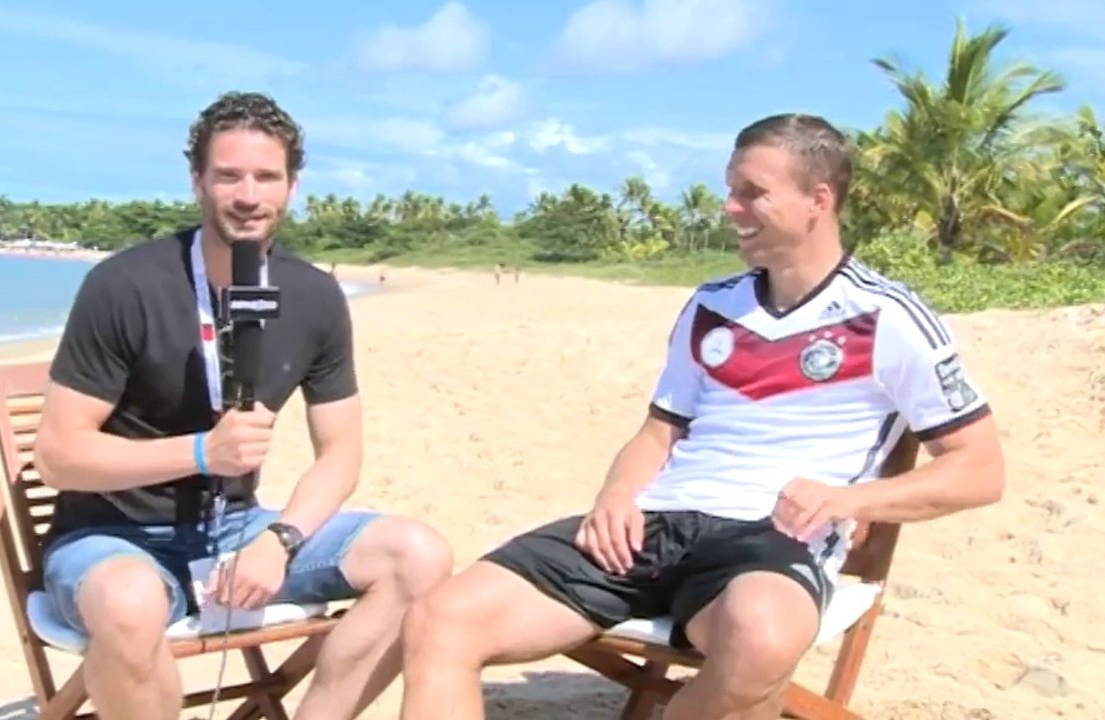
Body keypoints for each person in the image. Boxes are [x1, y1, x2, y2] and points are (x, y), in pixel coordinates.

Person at [397, 113, 1006, 720]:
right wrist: (616, 492)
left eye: (751, 193)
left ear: (818, 199)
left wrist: (850, 502)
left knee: (761, 643)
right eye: (730, 189)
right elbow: (660, 430)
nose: (730, 208)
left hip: (769, 542)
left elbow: (979, 471)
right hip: (655, 525)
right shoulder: (713, 305)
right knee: (440, 620)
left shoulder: (887, 317)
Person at [32, 91, 453, 720]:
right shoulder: (126, 284)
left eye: (266, 176)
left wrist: (280, 541)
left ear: (292, 185)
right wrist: (203, 451)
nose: (248, 195)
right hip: (112, 537)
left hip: (238, 528)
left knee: (419, 556)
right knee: (129, 602)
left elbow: (341, 453)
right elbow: (59, 456)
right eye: (228, 175)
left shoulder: (314, 296)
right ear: (197, 180)